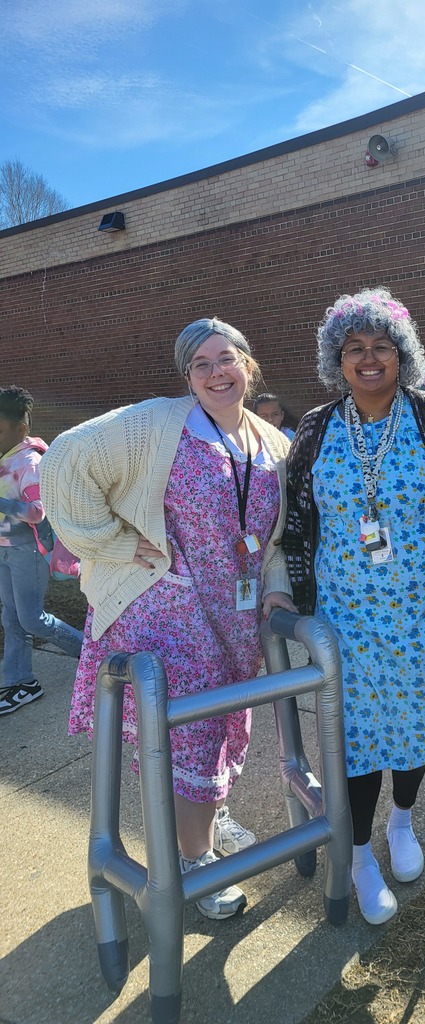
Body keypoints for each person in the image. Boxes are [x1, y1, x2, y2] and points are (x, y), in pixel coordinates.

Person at [40, 317, 296, 920]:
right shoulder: (156, 422)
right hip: (168, 609)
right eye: (200, 364)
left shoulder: (273, 444)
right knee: (194, 734)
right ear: (187, 376)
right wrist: (112, 543)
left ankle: (204, 817)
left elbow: (280, 538)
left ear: (248, 365)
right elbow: (64, 462)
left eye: (226, 359)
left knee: (220, 725)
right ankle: (193, 857)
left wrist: (276, 590)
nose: (215, 373)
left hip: (233, 612)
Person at [283, 288, 425, 925]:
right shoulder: (313, 430)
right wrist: (285, 590)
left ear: (403, 355)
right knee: (357, 740)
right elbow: (294, 522)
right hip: (347, 620)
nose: (369, 359)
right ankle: (361, 856)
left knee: (416, 727)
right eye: (355, 349)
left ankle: (402, 822)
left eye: (382, 347)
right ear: (336, 360)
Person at [0, 386, 83, 716]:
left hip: (27, 552)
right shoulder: (3, 459)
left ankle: (93, 653)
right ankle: (21, 683)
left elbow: (37, 511)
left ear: (20, 430)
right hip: (4, 550)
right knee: (11, 619)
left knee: (33, 619)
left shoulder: (28, 462)